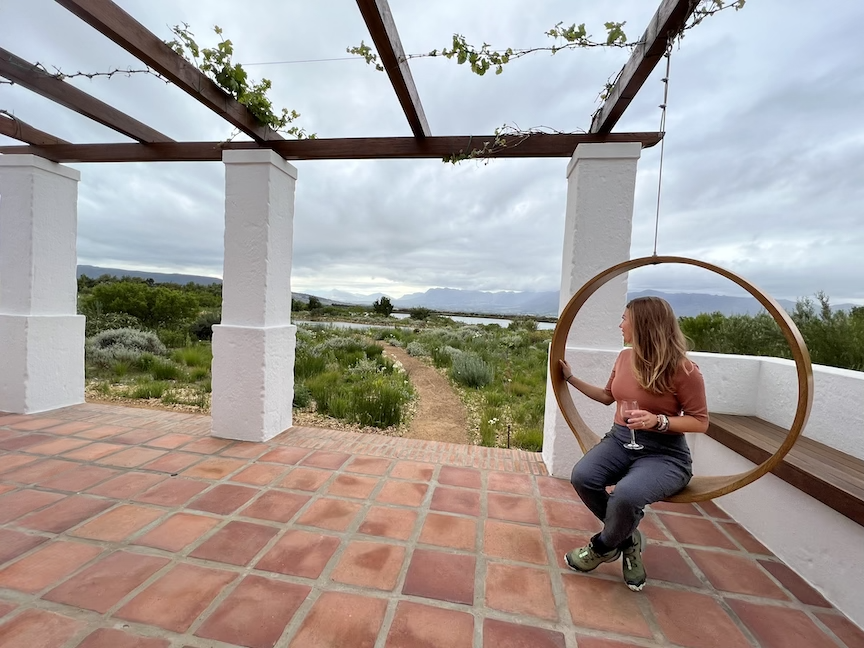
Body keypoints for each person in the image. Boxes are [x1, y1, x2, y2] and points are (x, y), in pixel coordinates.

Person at [558, 296, 708, 591]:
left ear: (643, 324)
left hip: (665, 454)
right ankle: (627, 538)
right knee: (583, 477)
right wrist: (571, 378)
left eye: (625, 318)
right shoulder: (624, 357)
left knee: (625, 496)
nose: (620, 324)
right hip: (620, 440)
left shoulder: (685, 370)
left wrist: (659, 421)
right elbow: (606, 396)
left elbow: (700, 421)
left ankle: (601, 546)